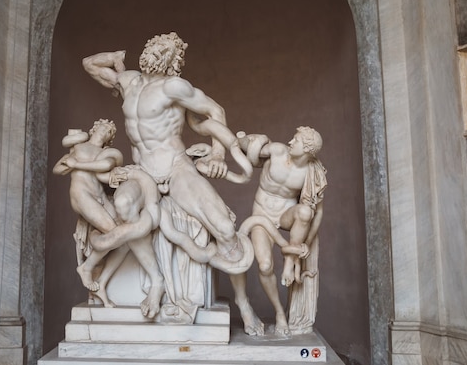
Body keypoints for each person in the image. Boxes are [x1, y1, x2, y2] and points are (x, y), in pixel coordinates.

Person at [82, 32, 263, 334]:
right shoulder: (128, 81)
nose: (153, 51)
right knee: (125, 204)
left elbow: (215, 111)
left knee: (225, 228)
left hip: (176, 167)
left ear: (173, 60)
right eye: (152, 45)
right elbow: (89, 64)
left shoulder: (174, 86)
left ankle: (244, 305)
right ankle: (156, 280)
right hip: (142, 171)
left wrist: (218, 154)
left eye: (162, 49)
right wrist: (114, 57)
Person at [53, 120, 165, 317]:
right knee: (117, 234)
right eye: (104, 127)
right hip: (82, 194)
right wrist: (69, 162)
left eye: (110, 131)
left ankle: (101, 283)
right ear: (94, 128)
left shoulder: (111, 154)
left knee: (122, 238)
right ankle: (86, 269)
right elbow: (58, 169)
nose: (106, 131)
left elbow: (105, 167)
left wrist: (77, 164)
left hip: (101, 198)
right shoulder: (78, 147)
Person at [236, 126, 327, 335]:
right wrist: (248, 138)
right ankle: (279, 313)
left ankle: (289, 260)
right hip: (261, 216)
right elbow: (248, 149)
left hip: (286, 215)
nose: (290, 142)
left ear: (307, 149)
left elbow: (317, 213)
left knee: (305, 211)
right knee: (265, 265)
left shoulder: (312, 173)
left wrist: (305, 244)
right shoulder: (276, 151)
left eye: (296, 141)